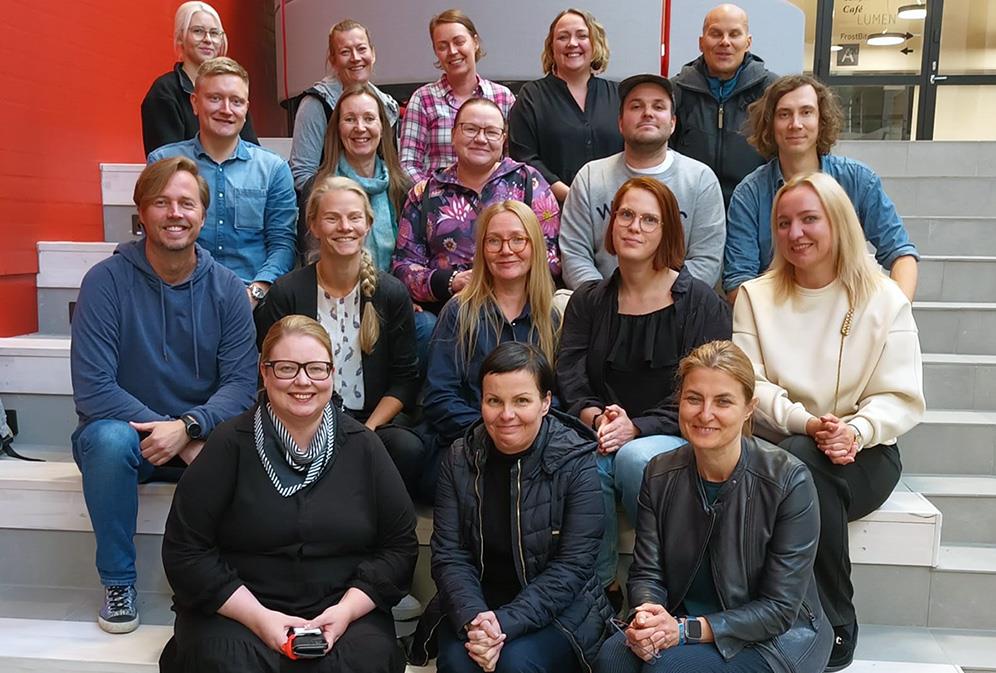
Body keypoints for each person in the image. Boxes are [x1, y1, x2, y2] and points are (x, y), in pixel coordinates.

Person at [733, 171, 925, 671]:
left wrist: (855, 431)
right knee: (797, 458)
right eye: (783, 223)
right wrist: (805, 423)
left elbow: (900, 395)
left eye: (809, 219)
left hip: (865, 455)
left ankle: (835, 618)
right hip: (784, 442)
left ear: (838, 223)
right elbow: (747, 381)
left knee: (806, 465)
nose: (795, 233)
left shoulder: (885, 299)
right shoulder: (756, 296)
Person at [159, 315, 418, 672]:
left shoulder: (364, 447)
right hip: (242, 608)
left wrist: (345, 611)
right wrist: (259, 618)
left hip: (340, 610)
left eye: (316, 368)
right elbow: (186, 549)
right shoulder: (228, 444)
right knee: (223, 660)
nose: (303, 381)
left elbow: (399, 547)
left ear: (331, 373)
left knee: (367, 660)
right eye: (286, 368)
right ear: (264, 373)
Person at [69, 157, 258, 634]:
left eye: (186, 203)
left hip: (200, 435)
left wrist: (191, 428)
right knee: (108, 442)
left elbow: (239, 384)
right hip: (128, 436)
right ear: (142, 212)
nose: (175, 213)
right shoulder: (105, 282)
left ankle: (238, 580)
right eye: (162, 202)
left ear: (202, 213)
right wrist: (169, 431)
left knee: (254, 440)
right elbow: (95, 388)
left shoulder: (228, 290)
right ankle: (118, 582)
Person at [594, 340, 833, 673]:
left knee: (668, 668)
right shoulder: (660, 472)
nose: (705, 414)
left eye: (723, 401)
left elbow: (779, 610)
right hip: (682, 624)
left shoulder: (788, 481)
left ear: (749, 407)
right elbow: (648, 572)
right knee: (614, 657)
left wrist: (683, 631)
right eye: (694, 399)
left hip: (775, 638)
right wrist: (646, 617)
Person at [557, 177, 731, 604]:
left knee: (635, 458)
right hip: (601, 430)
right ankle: (600, 591)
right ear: (612, 224)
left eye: (649, 219)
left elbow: (706, 390)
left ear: (667, 231)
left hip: (678, 431)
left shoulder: (701, 303)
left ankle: (671, 581)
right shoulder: (589, 300)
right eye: (626, 215)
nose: (634, 226)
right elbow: (570, 373)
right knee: (586, 461)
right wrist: (597, 418)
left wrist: (636, 428)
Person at [412, 341, 610, 673]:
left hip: (558, 609)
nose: (506, 415)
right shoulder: (460, 458)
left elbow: (572, 567)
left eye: (521, 401)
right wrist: (477, 620)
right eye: (494, 401)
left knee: (515, 664)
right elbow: (449, 555)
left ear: (546, 402)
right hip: (475, 604)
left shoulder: (576, 461)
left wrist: (503, 625)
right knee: (459, 662)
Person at [254, 176, 423, 499]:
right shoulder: (288, 293)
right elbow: (270, 373)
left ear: (368, 224)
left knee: (408, 448)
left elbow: (404, 380)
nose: (344, 227)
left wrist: (368, 432)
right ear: (314, 226)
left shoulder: (390, 293)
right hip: (301, 417)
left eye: (354, 217)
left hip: (367, 420)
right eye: (332, 218)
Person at [725, 74, 919, 301]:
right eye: (784, 114)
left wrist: (896, 316)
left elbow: (901, 253)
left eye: (806, 112)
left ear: (821, 120)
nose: (795, 124)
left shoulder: (858, 180)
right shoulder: (749, 194)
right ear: (770, 124)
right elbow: (739, 281)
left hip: (851, 311)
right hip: (778, 313)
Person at [392, 97, 560, 358]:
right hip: (448, 309)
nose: (481, 139)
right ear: (453, 134)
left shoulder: (529, 181)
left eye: (491, 131)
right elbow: (403, 266)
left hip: (518, 303)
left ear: (503, 139)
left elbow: (551, 255)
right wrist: (452, 282)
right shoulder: (425, 193)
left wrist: (499, 279)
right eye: (470, 129)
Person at [419, 200, 559, 503]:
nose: (506, 250)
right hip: (469, 444)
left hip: (534, 448)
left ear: (534, 245)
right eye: (494, 241)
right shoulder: (459, 312)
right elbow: (440, 396)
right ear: (482, 250)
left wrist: (524, 435)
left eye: (517, 239)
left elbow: (558, 397)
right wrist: (494, 432)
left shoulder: (552, 317)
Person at [149, 57, 297, 307]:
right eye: (215, 98)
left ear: (246, 108)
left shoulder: (274, 169)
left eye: (236, 101)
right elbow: (154, 235)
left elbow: (282, 244)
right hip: (179, 298)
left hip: (252, 302)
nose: (226, 109)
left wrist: (255, 294)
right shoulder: (163, 162)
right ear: (195, 103)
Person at [560, 74, 726, 289]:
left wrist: (655, 302)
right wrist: (604, 302)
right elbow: (574, 254)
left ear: (673, 123)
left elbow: (707, 260)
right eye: (636, 107)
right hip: (601, 310)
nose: (647, 113)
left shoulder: (701, 180)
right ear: (620, 123)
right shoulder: (590, 177)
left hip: (677, 311)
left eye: (658, 107)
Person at [508, 8, 622, 203]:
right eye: (563, 37)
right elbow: (524, 157)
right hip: (552, 211)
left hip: (615, 210)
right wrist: (572, 197)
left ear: (595, 44)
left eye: (582, 35)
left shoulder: (619, 95)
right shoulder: (531, 96)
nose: (572, 43)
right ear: (552, 47)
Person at [670, 4, 777, 206]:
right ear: (701, 43)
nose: (725, 42)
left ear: (748, 42)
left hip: (754, 212)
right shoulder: (675, 91)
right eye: (716, 34)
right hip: (689, 210)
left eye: (734, 34)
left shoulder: (772, 92)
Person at [298, 85, 410, 270]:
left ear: (382, 127)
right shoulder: (317, 187)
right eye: (350, 119)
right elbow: (309, 259)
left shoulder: (402, 188)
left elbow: (411, 260)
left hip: (393, 295)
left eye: (369, 118)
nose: (360, 127)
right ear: (338, 129)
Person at [398, 9, 515, 184]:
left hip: (494, 204)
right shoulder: (423, 99)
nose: (452, 51)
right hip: (437, 206)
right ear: (436, 51)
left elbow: (512, 161)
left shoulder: (503, 98)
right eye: (442, 46)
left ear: (475, 42)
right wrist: (434, 196)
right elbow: (408, 164)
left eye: (459, 42)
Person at [289, 19, 400, 191]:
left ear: (373, 54)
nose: (356, 58)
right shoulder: (316, 104)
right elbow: (303, 176)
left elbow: (392, 171)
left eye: (361, 49)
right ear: (333, 60)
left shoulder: (388, 106)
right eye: (345, 52)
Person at [141, 1, 259, 156]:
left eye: (215, 33)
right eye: (198, 31)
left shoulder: (232, 90)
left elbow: (252, 153)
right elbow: (166, 166)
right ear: (180, 37)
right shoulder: (164, 92)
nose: (208, 39)